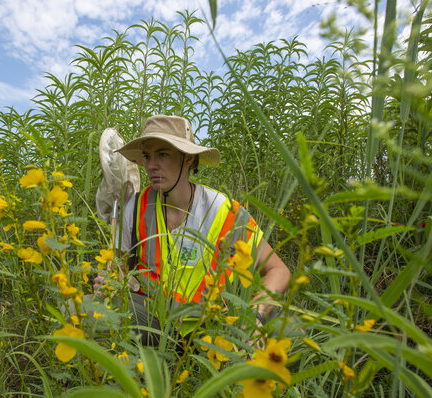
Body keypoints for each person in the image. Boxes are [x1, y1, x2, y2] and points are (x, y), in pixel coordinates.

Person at [94, 115, 290, 345]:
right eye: (147, 157)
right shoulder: (135, 208)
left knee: (283, 326)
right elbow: (119, 268)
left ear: (188, 159)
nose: (151, 165)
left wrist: (254, 315)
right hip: (153, 323)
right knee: (86, 311)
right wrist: (110, 283)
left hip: (212, 327)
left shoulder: (222, 210)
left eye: (162, 154)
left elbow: (278, 270)